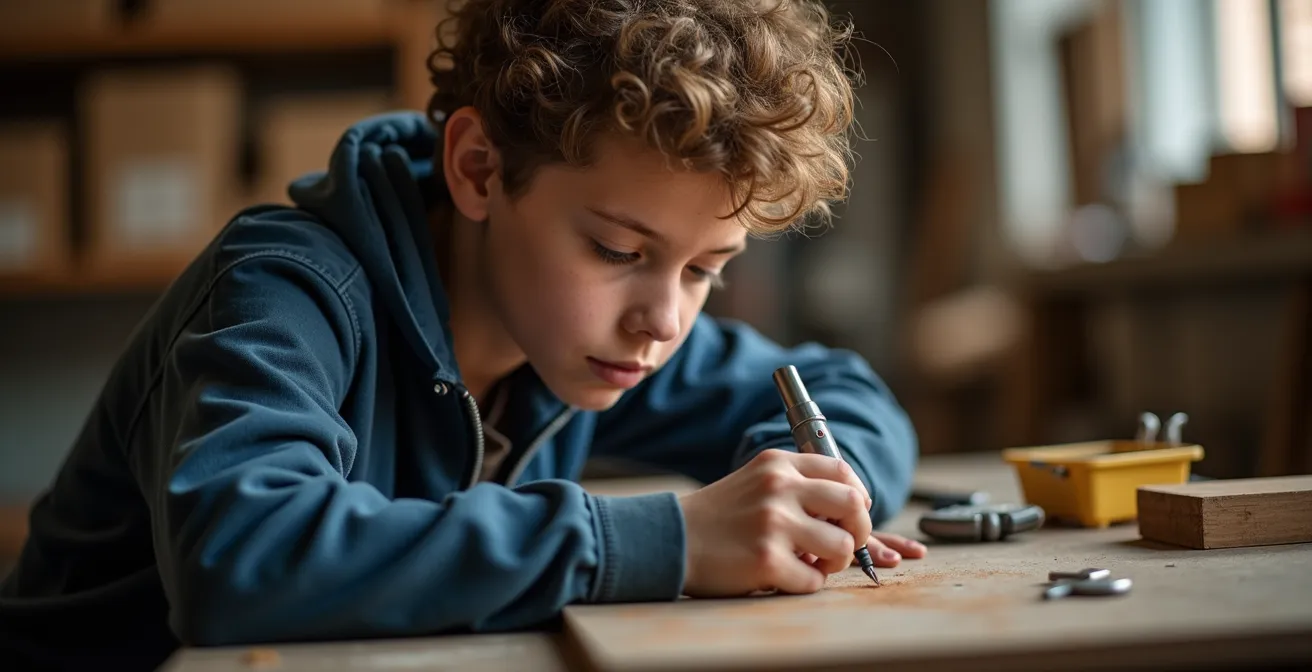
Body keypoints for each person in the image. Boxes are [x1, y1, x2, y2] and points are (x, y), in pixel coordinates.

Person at [0, 0, 924, 668]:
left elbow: (843, 394)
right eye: (615, 248)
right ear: (479, 169)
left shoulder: (588, 336)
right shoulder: (286, 289)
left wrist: (800, 507)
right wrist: (667, 540)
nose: (664, 319)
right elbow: (242, 556)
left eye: (703, 269)